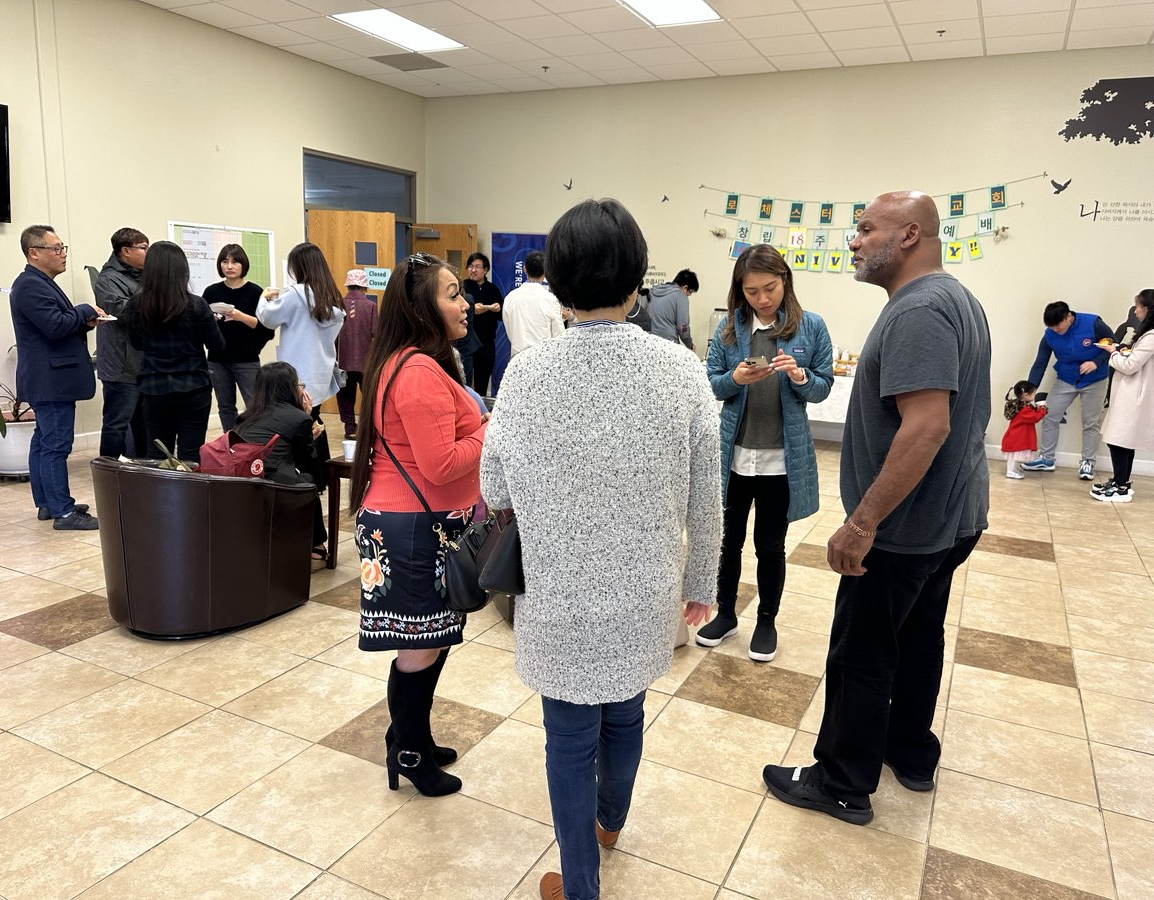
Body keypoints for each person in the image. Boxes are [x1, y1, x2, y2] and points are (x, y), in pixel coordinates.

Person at [480, 199, 723, 900]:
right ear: (636, 279)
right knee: (626, 712)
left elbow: (495, 487)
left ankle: (580, 883)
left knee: (568, 737)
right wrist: (702, 582)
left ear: (557, 282)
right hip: (645, 589)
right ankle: (610, 822)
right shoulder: (681, 371)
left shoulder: (527, 373)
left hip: (557, 590)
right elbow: (706, 495)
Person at [762, 191, 990, 826]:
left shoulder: (918, 310)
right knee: (918, 635)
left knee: (861, 652)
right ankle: (909, 751)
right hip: (950, 517)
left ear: (909, 234)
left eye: (866, 229)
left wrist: (863, 521)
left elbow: (928, 427)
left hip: (904, 528)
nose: (854, 241)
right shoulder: (957, 299)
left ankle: (841, 781)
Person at [347, 251, 487, 799]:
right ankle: (408, 752)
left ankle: (413, 737)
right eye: (453, 295)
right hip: (411, 529)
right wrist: (491, 429)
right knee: (419, 648)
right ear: (421, 308)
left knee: (430, 640)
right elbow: (442, 464)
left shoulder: (409, 362)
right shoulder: (419, 371)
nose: (465, 304)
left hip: (415, 523)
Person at [699, 244, 834, 661]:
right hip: (735, 457)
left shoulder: (811, 326)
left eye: (770, 288)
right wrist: (736, 379)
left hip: (781, 460)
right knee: (728, 543)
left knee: (770, 546)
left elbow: (823, 387)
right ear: (740, 290)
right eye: (752, 291)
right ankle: (725, 615)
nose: (762, 298)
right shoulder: (730, 329)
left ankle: (766, 621)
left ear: (785, 281)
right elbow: (712, 383)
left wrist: (800, 376)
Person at [8, 225, 104, 530]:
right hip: (50, 379)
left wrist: (84, 322)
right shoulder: (29, 285)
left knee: (44, 442)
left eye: (63, 248)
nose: (63, 254)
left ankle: (48, 504)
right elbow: (54, 326)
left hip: (50, 377)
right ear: (34, 253)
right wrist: (84, 310)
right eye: (56, 248)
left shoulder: (40, 282)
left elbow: (57, 324)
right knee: (56, 445)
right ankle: (64, 513)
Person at [120, 241, 224, 465]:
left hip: (153, 388)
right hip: (193, 387)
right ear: (182, 270)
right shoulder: (196, 305)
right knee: (191, 455)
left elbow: (137, 343)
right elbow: (217, 345)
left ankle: (159, 489)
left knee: (157, 454)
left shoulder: (136, 305)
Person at [257, 242, 344, 455]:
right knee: (313, 420)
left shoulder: (296, 294)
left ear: (298, 267)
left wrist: (263, 298)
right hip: (321, 373)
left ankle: (305, 470)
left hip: (296, 374)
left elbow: (268, 317)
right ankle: (321, 469)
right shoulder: (331, 296)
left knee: (296, 425)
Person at [236, 361, 328, 556]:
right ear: (290, 389)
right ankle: (316, 544)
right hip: (272, 487)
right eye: (299, 384)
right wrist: (306, 417)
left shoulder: (245, 417)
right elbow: (307, 461)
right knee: (309, 481)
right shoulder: (298, 417)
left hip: (240, 483)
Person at [1022, 299, 1113, 479]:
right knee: (1049, 415)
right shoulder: (1050, 334)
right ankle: (1046, 458)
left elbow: (1112, 346)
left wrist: (1096, 362)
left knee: (1091, 422)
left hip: (1095, 380)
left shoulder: (1094, 324)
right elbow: (1040, 363)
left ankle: (1087, 462)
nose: (1055, 330)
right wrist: (1030, 388)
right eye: (1051, 327)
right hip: (1066, 378)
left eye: (1058, 326)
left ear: (1068, 316)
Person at [1092, 288, 1154, 502]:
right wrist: (1120, 349)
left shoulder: (1151, 336)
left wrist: (1113, 353)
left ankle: (1120, 485)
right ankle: (1121, 482)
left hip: (1133, 395)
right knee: (1123, 439)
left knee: (1118, 438)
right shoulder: (1147, 334)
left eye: (1138, 306)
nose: (1135, 311)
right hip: (1129, 393)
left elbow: (1129, 366)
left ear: (1148, 309)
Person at [203, 243, 274, 432]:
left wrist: (239, 316)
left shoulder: (256, 292)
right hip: (217, 359)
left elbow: (266, 328)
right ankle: (230, 440)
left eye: (235, 262)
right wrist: (211, 319)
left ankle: (255, 440)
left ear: (243, 264)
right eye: (225, 261)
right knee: (225, 406)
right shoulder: (211, 292)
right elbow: (200, 325)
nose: (229, 266)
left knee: (255, 404)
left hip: (247, 358)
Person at [93, 227, 148, 459]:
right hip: (121, 366)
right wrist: (156, 302)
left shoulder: (143, 276)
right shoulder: (108, 280)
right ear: (126, 251)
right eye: (143, 248)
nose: (148, 253)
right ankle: (109, 471)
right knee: (116, 425)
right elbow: (123, 312)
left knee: (144, 425)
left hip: (144, 365)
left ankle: (142, 470)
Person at [334, 268, 378, 438]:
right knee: (369, 395)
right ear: (364, 287)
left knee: (345, 395)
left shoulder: (338, 306)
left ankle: (350, 428)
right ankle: (369, 427)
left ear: (348, 285)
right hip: (365, 361)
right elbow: (376, 333)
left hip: (342, 360)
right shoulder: (371, 306)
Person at [501, 251, 562, 358]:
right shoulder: (551, 299)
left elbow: (510, 331)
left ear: (525, 269)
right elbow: (558, 335)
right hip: (543, 358)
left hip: (518, 357)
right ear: (545, 271)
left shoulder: (510, 298)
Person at [464, 252, 504, 395]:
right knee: (464, 381)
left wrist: (498, 309)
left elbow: (501, 316)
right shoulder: (462, 287)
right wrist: (472, 310)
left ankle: (480, 405)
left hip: (486, 343)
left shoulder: (493, 289)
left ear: (485, 270)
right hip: (466, 342)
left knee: (483, 381)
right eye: (470, 266)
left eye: (477, 267)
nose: (473, 270)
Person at [1000, 380, 1047, 479]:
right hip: (1017, 437)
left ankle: (1013, 470)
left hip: (1015, 436)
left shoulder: (1019, 407)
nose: (1034, 396)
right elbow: (1035, 418)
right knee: (1013, 456)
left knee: (1014, 456)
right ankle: (1010, 471)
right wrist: (1042, 409)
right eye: (1033, 393)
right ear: (1026, 395)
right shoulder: (1025, 409)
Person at [647, 268, 699, 350]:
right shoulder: (681, 297)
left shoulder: (653, 292)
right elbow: (682, 328)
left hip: (650, 343)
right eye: (690, 292)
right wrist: (690, 345)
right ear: (685, 288)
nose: (689, 295)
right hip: (669, 345)